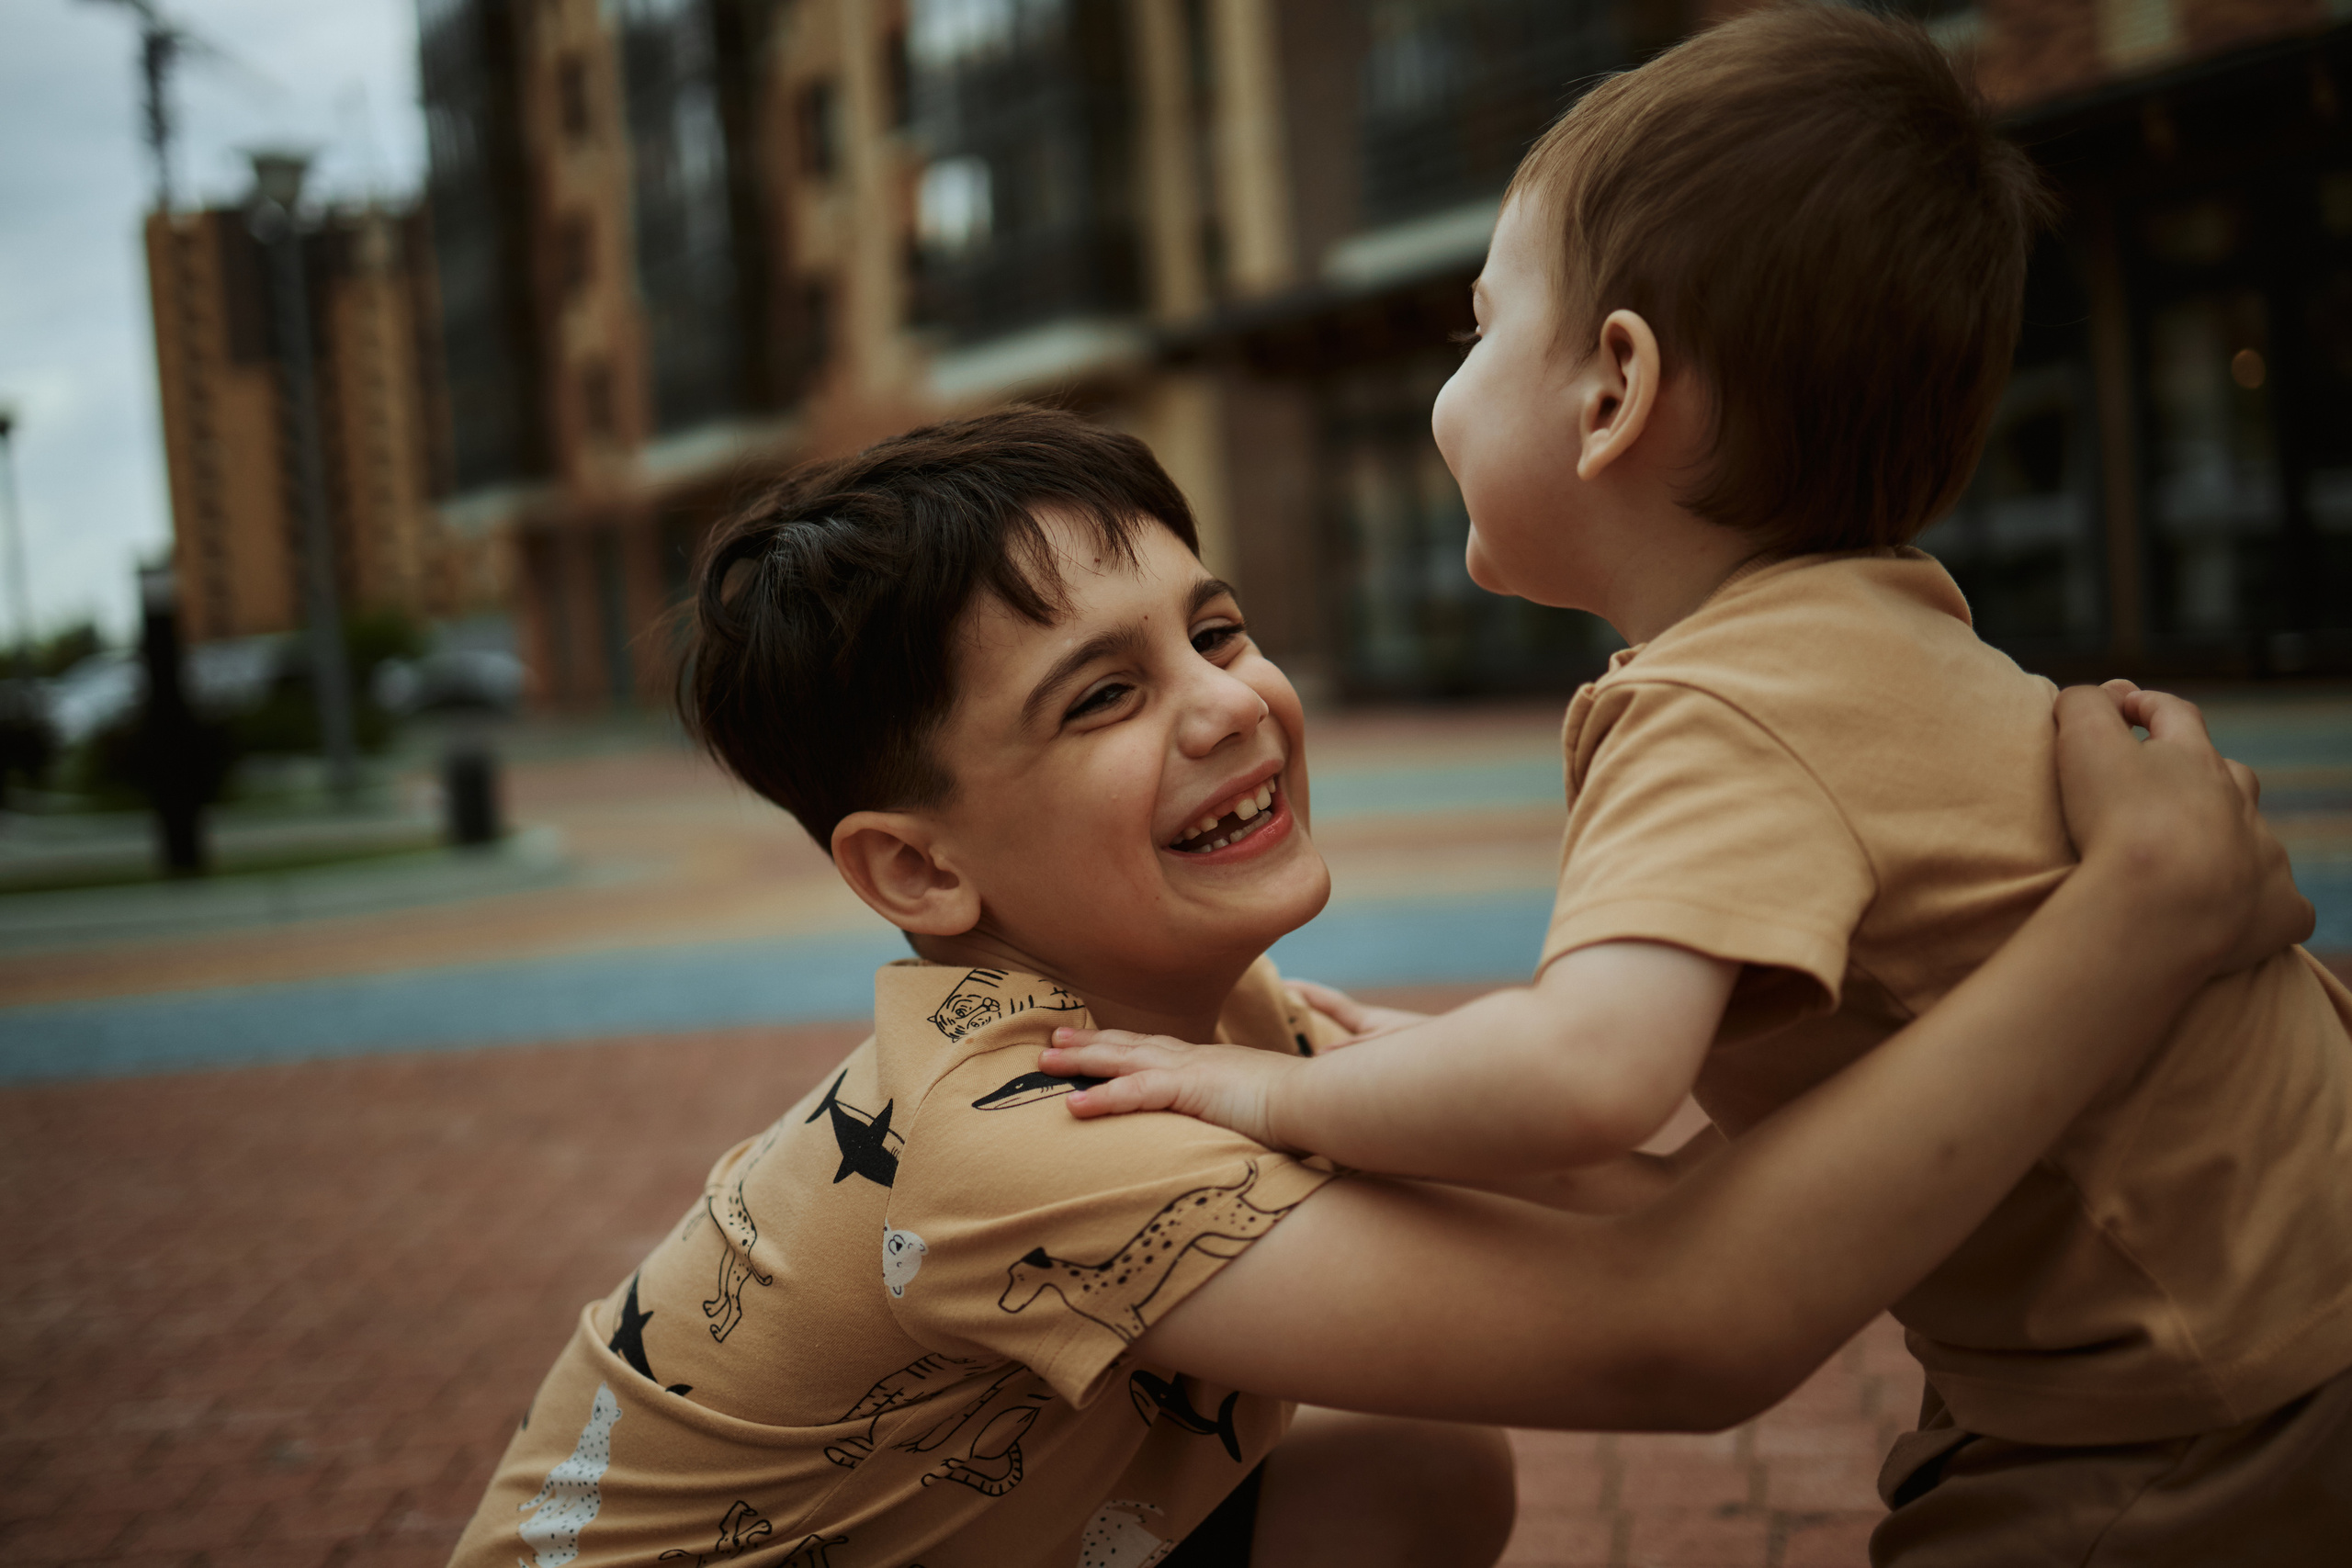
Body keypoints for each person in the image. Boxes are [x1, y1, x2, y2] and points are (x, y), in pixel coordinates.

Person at [447, 410, 2309, 1568]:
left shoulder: (1250, 1037)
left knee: (1402, 1466)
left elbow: (1676, 1209)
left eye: (1216, 625)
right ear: (918, 868)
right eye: (1099, 696)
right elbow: (1684, 1326)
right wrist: (2127, 920)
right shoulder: (1019, 1130)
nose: (1221, 701)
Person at [1044, 11, 2352, 1564]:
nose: (1450, 383)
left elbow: (1591, 1075)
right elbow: (1736, 1158)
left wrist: (1267, 1092)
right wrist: (1436, 1082)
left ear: (1612, 390)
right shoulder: (1890, 644)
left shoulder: (1712, 701)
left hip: (2188, 1411)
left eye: (1478, 330)